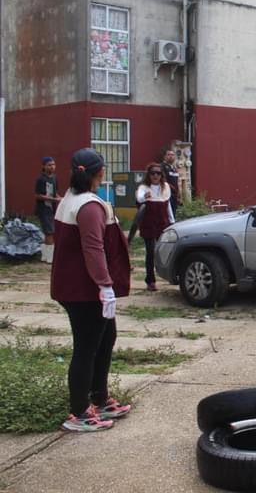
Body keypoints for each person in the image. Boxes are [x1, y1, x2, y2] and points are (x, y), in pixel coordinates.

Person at [51, 147, 131, 431]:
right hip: (84, 291)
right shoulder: (88, 206)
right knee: (86, 347)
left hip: (77, 287)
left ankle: (99, 397)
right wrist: (105, 285)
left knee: (106, 338)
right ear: (100, 172)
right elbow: (93, 248)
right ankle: (80, 412)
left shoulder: (71, 199)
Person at [135, 163, 173, 291]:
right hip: (149, 224)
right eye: (153, 173)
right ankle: (150, 280)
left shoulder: (166, 187)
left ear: (161, 175)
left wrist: (172, 221)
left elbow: (168, 206)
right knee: (150, 252)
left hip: (163, 223)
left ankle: (171, 275)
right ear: (149, 175)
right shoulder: (144, 188)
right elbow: (139, 198)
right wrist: (144, 197)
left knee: (166, 250)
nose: (155, 176)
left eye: (158, 173)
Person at [35, 156, 61, 263]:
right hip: (43, 209)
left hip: (52, 208)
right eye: (49, 165)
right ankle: (51, 258)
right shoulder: (41, 179)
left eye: (53, 164)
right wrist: (54, 199)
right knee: (49, 232)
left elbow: (55, 193)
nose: (52, 167)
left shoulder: (54, 178)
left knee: (49, 232)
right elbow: (37, 195)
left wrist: (60, 198)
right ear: (44, 166)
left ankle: (45, 256)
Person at [161, 149, 180, 221]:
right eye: (169, 155)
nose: (171, 156)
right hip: (167, 194)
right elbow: (163, 180)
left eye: (172, 155)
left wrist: (178, 194)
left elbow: (177, 182)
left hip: (174, 195)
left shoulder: (174, 168)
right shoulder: (162, 166)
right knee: (168, 214)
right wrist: (171, 188)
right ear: (165, 157)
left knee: (174, 212)